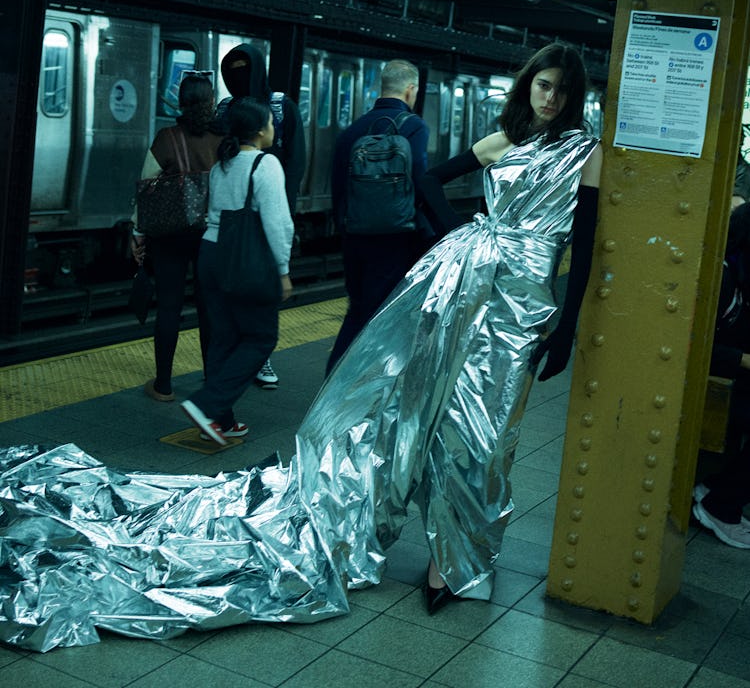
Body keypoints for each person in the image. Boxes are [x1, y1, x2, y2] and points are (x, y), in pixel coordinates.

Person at [0, 42, 602, 649]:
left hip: (522, 307)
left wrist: (568, 324)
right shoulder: (501, 144)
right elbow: (428, 180)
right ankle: (446, 558)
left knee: (487, 429)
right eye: (542, 85)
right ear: (528, 85)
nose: (549, 98)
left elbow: (589, 239)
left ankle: (463, 559)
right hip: (464, 287)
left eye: (560, 90)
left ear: (574, 99)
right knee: (425, 417)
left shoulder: (586, 154)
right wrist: (471, 232)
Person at [181, 98, 294, 445]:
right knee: (261, 337)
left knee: (224, 337)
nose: (274, 129)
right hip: (245, 260)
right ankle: (207, 405)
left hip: (211, 254)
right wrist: (283, 269)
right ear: (260, 130)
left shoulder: (222, 164)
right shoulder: (266, 164)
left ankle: (220, 421)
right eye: (271, 124)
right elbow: (278, 223)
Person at [327, 58, 430, 375]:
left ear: (381, 87)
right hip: (397, 239)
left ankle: (335, 373)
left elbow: (337, 189)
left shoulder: (352, 131)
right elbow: (420, 182)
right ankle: (363, 385)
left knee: (358, 309)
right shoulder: (413, 127)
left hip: (355, 238)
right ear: (410, 90)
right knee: (388, 315)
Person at [213, 43, 306, 390]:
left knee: (262, 291)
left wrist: (287, 212)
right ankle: (243, 357)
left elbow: (296, 162)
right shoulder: (225, 109)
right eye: (232, 71)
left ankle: (256, 356)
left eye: (245, 70)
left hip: (269, 211)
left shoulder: (281, 108)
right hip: (231, 219)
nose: (239, 78)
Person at [132, 73, 222, 401]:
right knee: (208, 309)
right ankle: (212, 381)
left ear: (180, 103)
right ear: (211, 103)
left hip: (170, 236)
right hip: (211, 236)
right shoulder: (222, 138)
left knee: (169, 308)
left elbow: (145, 188)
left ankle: (164, 385)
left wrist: (138, 234)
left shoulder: (167, 138)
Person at [692, 201, 750, 548]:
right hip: (713, 380)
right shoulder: (722, 278)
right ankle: (720, 504)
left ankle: (718, 489)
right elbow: (696, 346)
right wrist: (744, 360)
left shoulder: (740, 272)